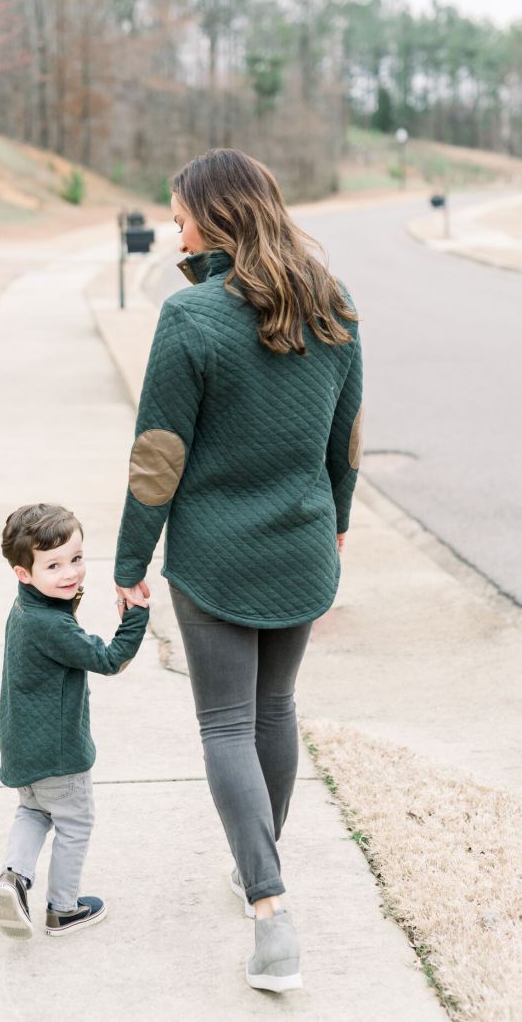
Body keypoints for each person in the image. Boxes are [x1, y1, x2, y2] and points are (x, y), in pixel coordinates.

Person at [114, 148, 362, 992]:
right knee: (275, 711)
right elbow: (347, 442)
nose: (173, 225)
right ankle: (261, 870)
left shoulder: (191, 318)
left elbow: (159, 455)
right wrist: (337, 527)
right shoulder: (333, 304)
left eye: (181, 213)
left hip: (216, 555)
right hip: (301, 544)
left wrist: (127, 560)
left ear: (216, 217)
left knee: (226, 726)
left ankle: (269, 910)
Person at [0, 502, 148, 939]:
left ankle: (14, 877)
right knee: (75, 823)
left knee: (33, 811)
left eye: (76, 559)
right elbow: (109, 659)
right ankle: (63, 909)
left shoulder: (26, 609)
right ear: (23, 573)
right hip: (59, 753)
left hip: (21, 746)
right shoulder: (51, 626)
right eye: (54, 565)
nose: (71, 574)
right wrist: (136, 616)